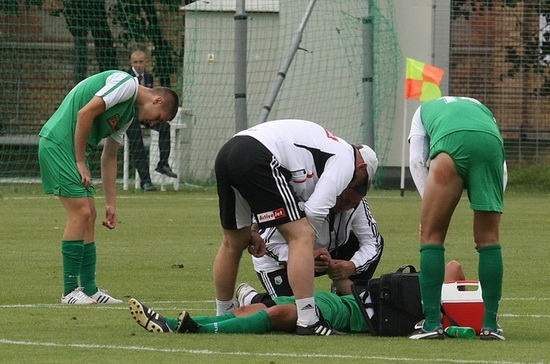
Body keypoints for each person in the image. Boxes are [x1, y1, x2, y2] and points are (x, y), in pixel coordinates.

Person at [213, 119, 377, 335]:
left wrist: (255, 228)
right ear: (362, 167)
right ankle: (309, 320)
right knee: (302, 234)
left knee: (233, 243)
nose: (353, 186)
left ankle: (223, 313)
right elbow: (315, 212)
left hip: (229, 151)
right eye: (360, 183)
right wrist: (308, 246)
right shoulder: (346, 159)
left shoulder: (325, 149)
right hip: (259, 153)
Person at [38, 70, 179, 304]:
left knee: (91, 214)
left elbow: (109, 157)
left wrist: (111, 203)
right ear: (158, 100)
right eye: (159, 118)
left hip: (69, 151)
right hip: (57, 144)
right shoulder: (125, 84)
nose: (154, 123)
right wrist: (80, 161)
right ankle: (70, 290)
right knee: (81, 212)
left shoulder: (128, 115)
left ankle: (90, 289)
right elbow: (85, 113)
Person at [126, 261, 469, 336]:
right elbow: (454, 267)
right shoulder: (413, 296)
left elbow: (453, 267)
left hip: (343, 314)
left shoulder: (431, 313)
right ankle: (173, 323)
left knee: (281, 312)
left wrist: (456, 293)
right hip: (341, 300)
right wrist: (342, 277)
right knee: (255, 308)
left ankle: (194, 331)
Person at [406, 96, 506, 340]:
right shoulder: (482, 108)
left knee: (432, 236)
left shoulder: (422, 111)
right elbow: (501, 165)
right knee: (489, 239)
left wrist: (428, 208)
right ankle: (491, 325)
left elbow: (417, 161)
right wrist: (494, 205)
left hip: (450, 146)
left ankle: (431, 323)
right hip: (490, 147)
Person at [252, 172, 384, 297]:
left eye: (353, 203)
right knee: (292, 313)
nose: (347, 206)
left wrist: (353, 266)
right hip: (279, 261)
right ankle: (251, 298)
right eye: (344, 199)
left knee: (358, 243)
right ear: (336, 189)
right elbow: (268, 243)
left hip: (323, 255)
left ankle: (342, 297)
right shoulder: (305, 199)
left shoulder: (357, 202)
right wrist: (305, 257)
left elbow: (372, 242)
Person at [125, 50, 177, 191]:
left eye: (141, 62)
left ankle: (163, 163)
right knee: (138, 143)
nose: (138, 65)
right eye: (135, 62)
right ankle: (146, 181)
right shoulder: (126, 78)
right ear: (131, 63)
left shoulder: (148, 78)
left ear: (146, 62)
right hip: (130, 116)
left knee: (164, 126)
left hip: (146, 115)